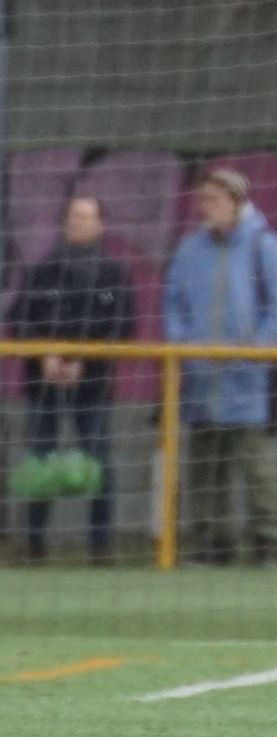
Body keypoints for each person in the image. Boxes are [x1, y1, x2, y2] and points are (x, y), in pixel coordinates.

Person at [163, 168, 277, 568]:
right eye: (202, 198)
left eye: (214, 198)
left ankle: (267, 543)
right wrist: (182, 346)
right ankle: (213, 544)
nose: (205, 206)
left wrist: (259, 345)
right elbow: (173, 302)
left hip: (246, 378)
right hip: (201, 376)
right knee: (206, 466)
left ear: (236, 201)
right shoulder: (190, 249)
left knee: (257, 464)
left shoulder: (264, 245)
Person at [5, 195, 134, 562]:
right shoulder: (42, 270)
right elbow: (20, 320)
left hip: (91, 385)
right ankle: (33, 545)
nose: (77, 222)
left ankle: (101, 546)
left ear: (100, 224)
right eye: (73, 216)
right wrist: (45, 354)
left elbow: (123, 327)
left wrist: (82, 360)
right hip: (42, 384)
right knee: (40, 461)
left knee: (98, 460)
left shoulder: (114, 274)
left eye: (85, 216)